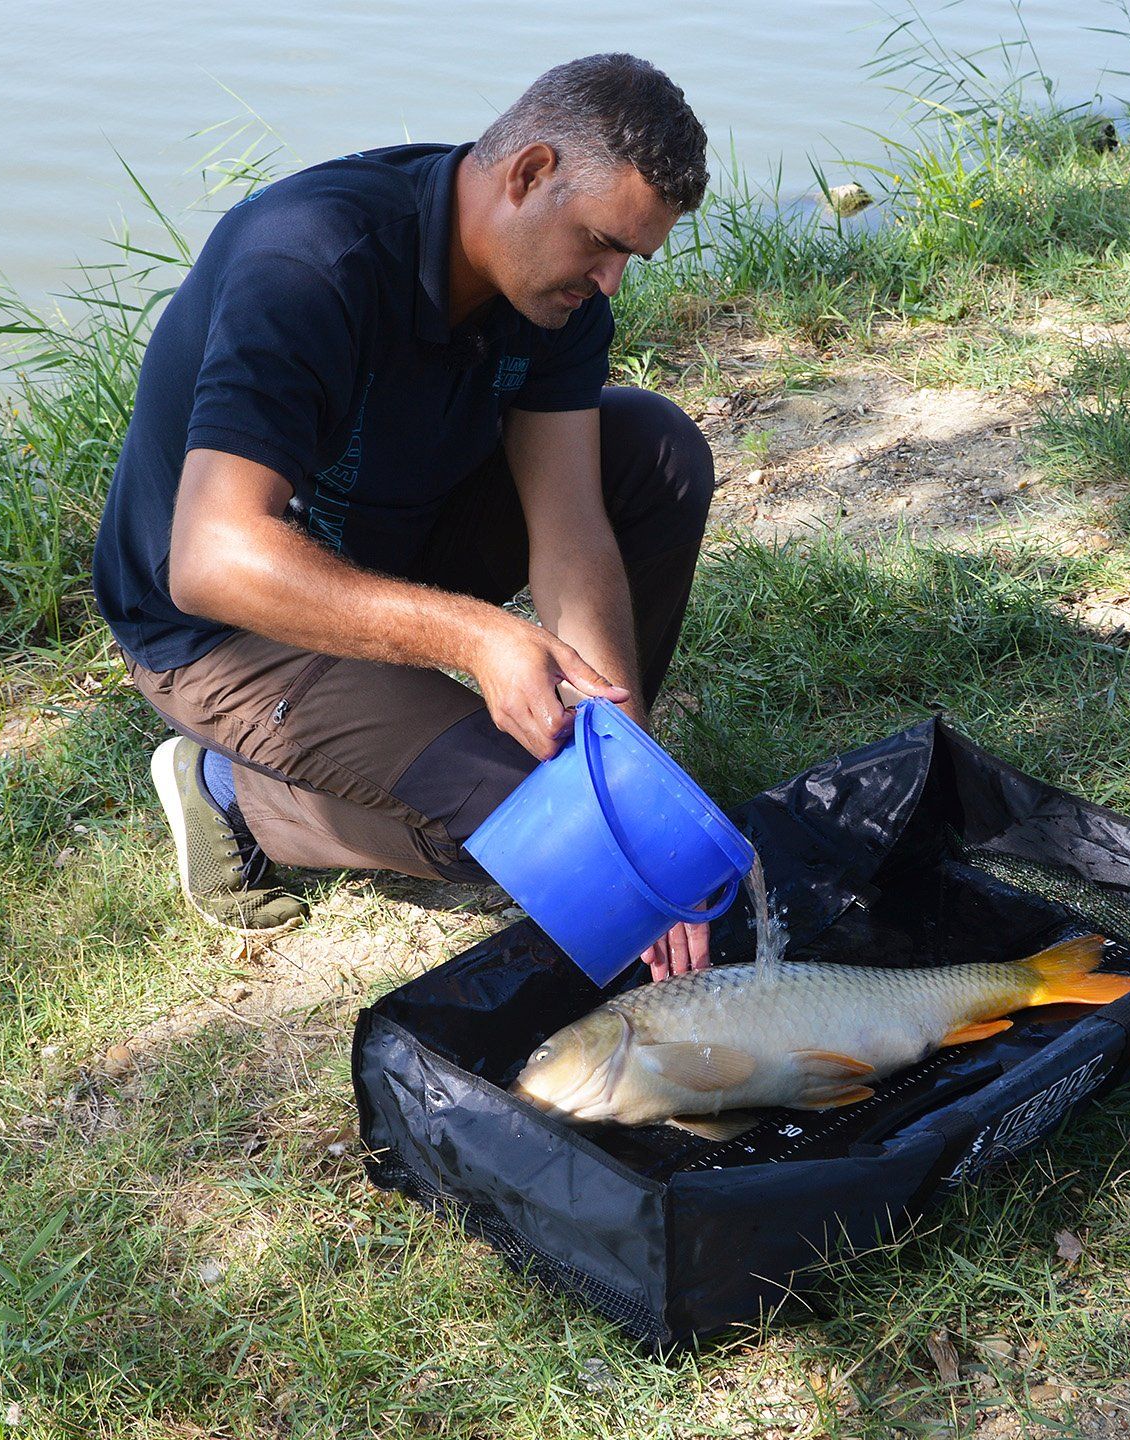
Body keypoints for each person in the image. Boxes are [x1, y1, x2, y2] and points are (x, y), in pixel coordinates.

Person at [91, 54, 716, 982]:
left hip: (390, 551)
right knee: (526, 845)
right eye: (600, 242)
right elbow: (211, 557)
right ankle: (225, 790)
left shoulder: (556, 292)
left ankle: (591, 781)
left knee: (653, 447)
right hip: (222, 625)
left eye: (632, 255)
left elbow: (571, 528)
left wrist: (624, 787)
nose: (612, 280)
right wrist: (475, 636)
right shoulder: (309, 261)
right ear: (529, 172)